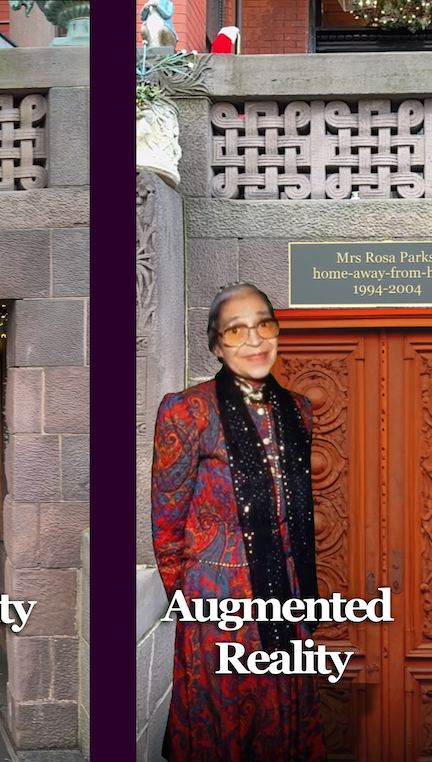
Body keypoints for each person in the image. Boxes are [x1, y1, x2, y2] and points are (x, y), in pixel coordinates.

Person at [151, 283, 328, 761]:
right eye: (236, 330)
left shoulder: (299, 412)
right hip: (217, 599)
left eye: (263, 325)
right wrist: (191, 599)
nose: (254, 340)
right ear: (216, 345)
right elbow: (166, 523)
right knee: (224, 720)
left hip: (287, 592)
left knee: (282, 715)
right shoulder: (186, 411)